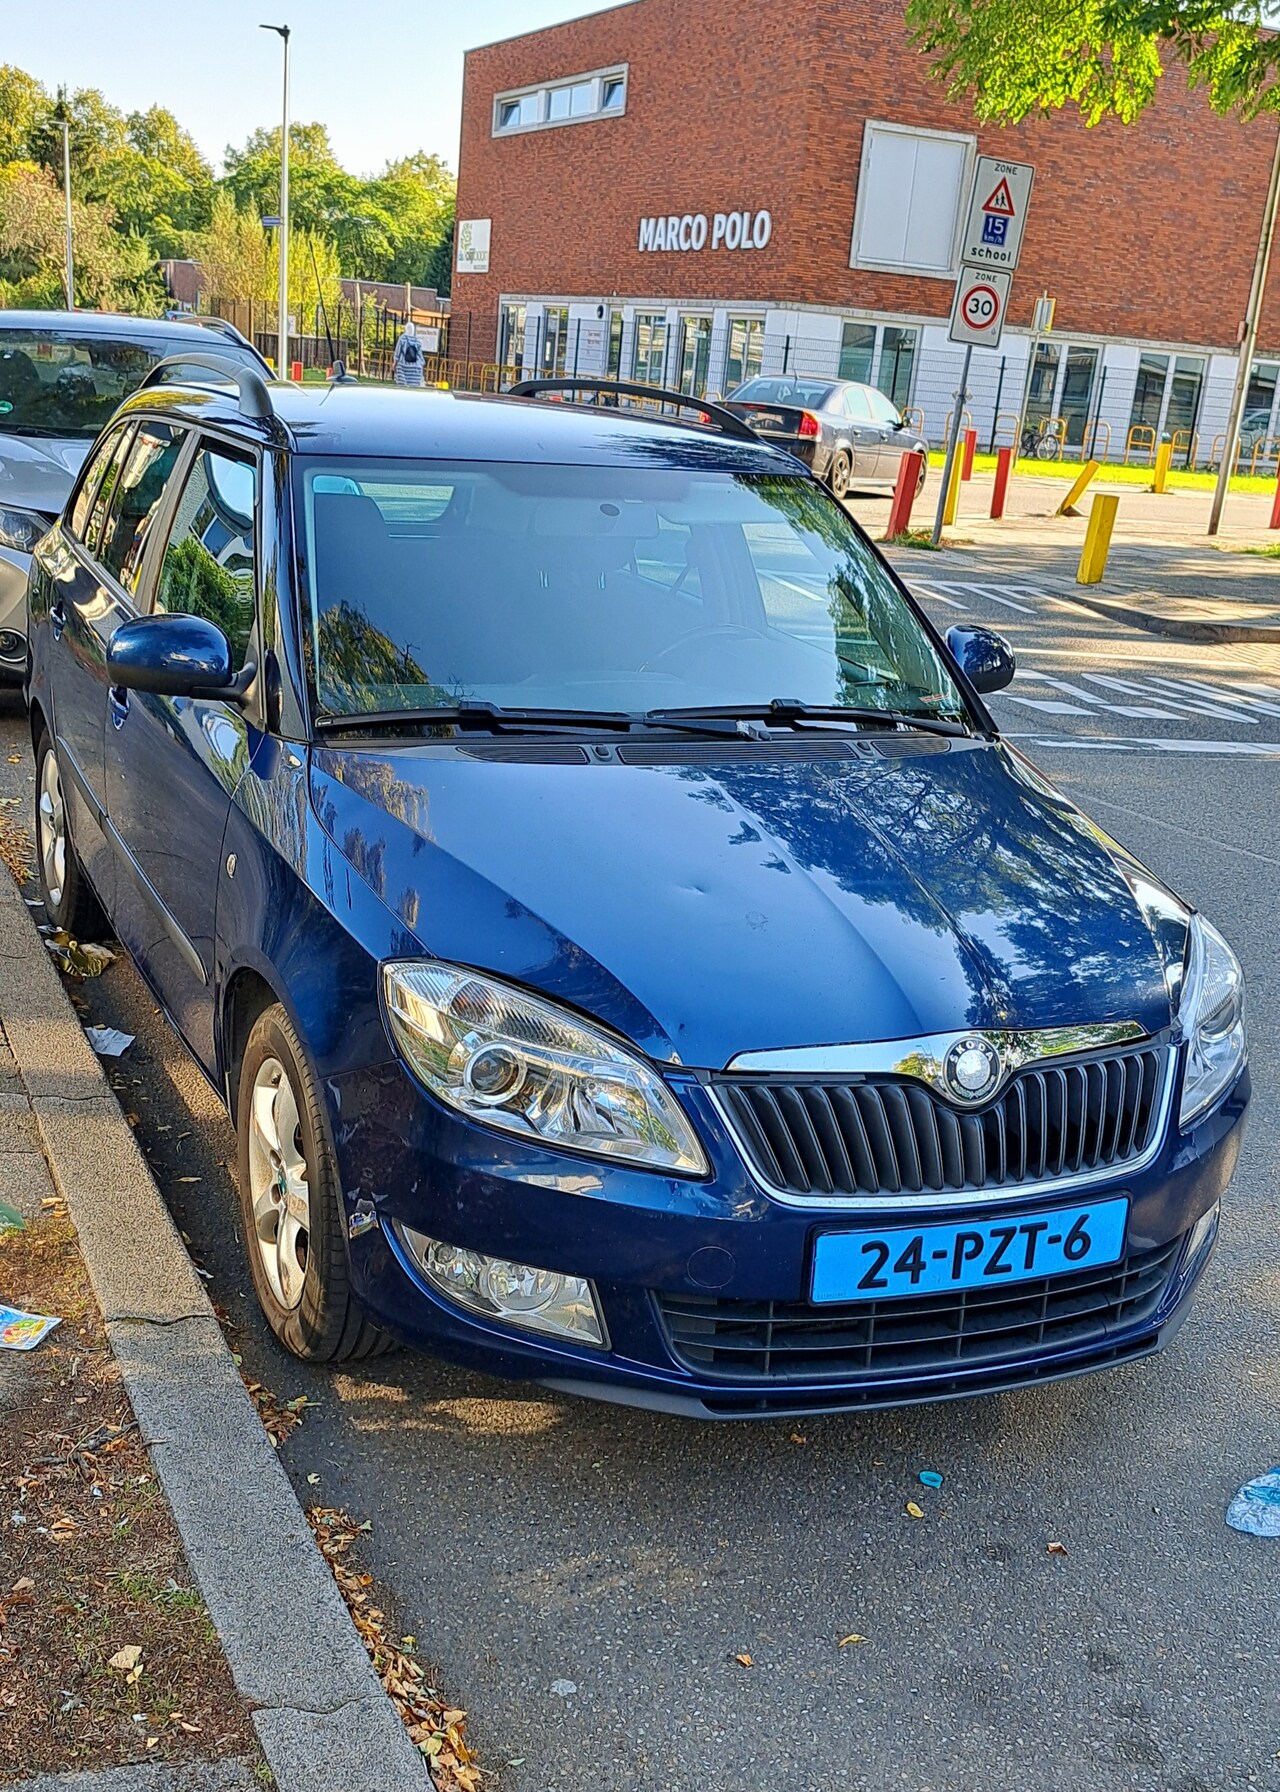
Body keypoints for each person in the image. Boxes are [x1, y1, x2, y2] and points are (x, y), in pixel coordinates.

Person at [392, 321, 425, 389]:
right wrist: (421, 366)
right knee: (413, 389)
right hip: (416, 369)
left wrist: (394, 363)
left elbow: (397, 351)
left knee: (403, 388)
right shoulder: (417, 340)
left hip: (403, 367)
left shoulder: (402, 338)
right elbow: (420, 356)